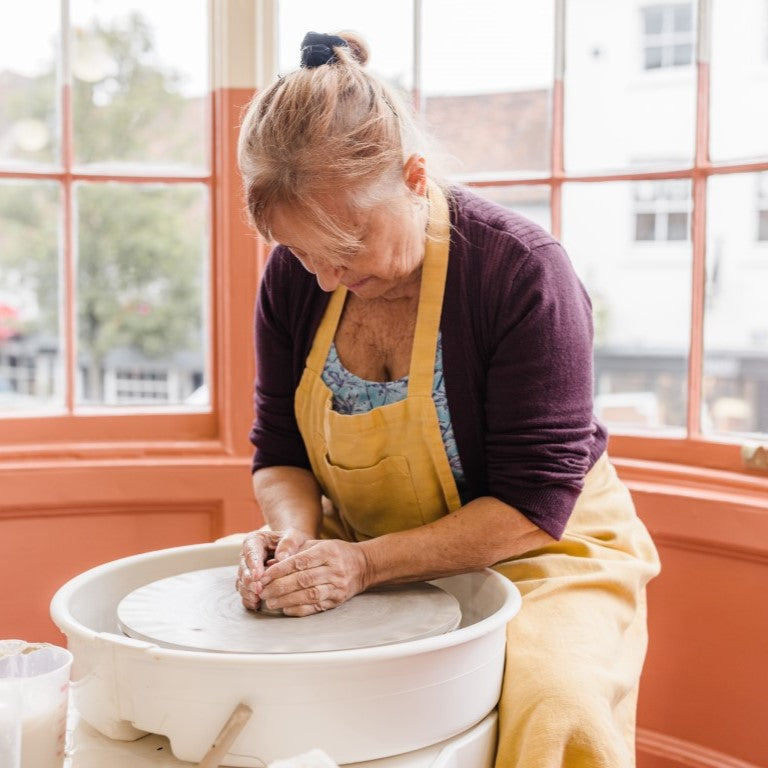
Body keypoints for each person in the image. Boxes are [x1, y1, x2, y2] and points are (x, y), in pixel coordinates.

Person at [236, 30, 660, 768]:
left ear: (413, 175)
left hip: (542, 551)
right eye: (303, 252)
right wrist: (296, 538)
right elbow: (278, 451)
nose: (327, 277)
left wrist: (363, 568)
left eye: (348, 243)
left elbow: (535, 504)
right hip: (352, 543)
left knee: (555, 697)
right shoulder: (293, 282)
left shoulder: (521, 274)